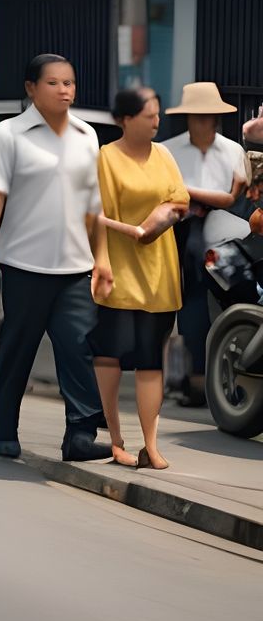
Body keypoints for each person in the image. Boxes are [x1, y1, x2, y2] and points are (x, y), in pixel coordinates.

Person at [0, 54, 113, 462]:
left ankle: (80, 436)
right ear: (31, 88)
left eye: (69, 82)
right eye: (53, 83)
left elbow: (94, 205)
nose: (65, 90)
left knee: (77, 347)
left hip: (74, 266)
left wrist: (101, 258)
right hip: (24, 264)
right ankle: (5, 427)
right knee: (18, 347)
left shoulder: (87, 136)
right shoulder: (8, 135)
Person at [90, 88, 189, 468]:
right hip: (118, 268)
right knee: (110, 353)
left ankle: (151, 443)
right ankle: (115, 439)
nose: (156, 121)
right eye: (149, 114)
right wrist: (103, 259)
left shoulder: (163, 154)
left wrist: (159, 219)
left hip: (158, 268)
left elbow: (179, 200)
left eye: (157, 114)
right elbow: (93, 213)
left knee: (151, 357)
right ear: (126, 119)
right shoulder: (106, 158)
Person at [162, 83, 248, 407]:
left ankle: (224, 376)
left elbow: (236, 198)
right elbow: (169, 196)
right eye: (197, 116)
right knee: (189, 307)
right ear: (188, 118)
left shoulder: (233, 151)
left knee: (233, 300)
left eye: (209, 116)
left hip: (227, 234)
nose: (204, 122)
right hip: (182, 234)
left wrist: (192, 193)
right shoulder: (168, 151)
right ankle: (193, 379)